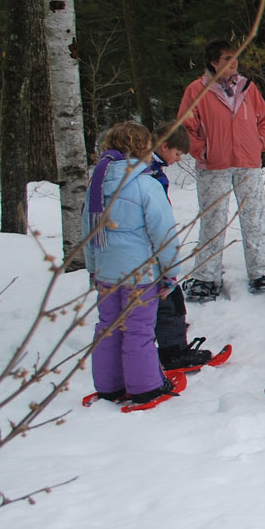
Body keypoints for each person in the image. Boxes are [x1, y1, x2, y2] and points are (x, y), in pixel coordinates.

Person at [82, 122, 184, 406]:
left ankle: (109, 386)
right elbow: (163, 233)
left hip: (107, 272)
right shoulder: (145, 184)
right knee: (138, 330)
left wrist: (94, 268)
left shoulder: (97, 184)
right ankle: (145, 388)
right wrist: (170, 273)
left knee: (108, 328)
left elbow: (87, 231)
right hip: (140, 275)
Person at [176, 40, 265, 301]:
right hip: (213, 167)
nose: (234, 62)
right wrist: (204, 151)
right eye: (228, 58)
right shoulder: (196, 90)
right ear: (213, 62)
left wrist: (260, 142)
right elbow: (185, 127)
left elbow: (264, 117)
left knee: (254, 218)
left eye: (236, 57)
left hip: (247, 163)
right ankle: (206, 277)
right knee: (214, 220)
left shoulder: (248, 88)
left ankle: (261, 271)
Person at [147, 121, 215, 370]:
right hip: (151, 251)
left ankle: (171, 348)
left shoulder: (146, 168)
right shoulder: (149, 173)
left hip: (147, 249)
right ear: (164, 146)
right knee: (170, 300)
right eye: (176, 154)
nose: (176, 160)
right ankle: (172, 353)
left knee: (168, 299)